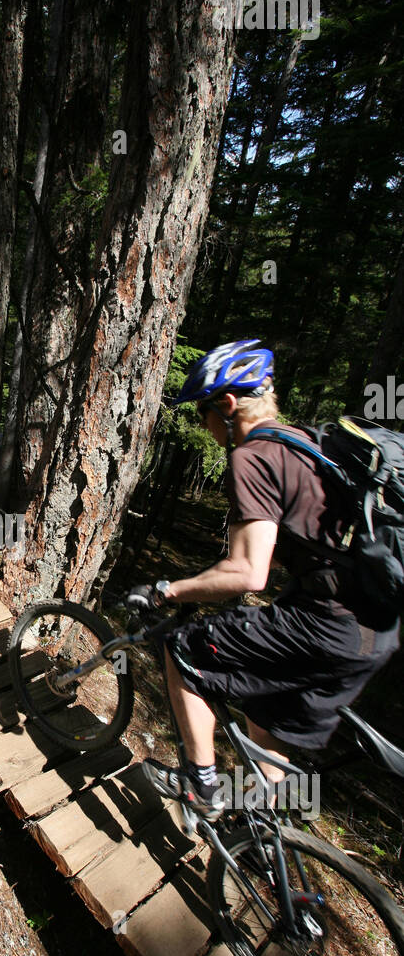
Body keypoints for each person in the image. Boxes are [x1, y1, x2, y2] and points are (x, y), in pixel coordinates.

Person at [126, 339, 400, 817]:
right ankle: (263, 835)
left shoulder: (251, 457)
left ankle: (200, 787)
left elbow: (248, 573)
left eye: (203, 413)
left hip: (326, 625)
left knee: (182, 649)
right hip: (375, 631)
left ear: (228, 406)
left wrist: (167, 590)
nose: (204, 425)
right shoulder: (308, 444)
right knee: (263, 712)